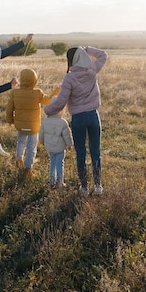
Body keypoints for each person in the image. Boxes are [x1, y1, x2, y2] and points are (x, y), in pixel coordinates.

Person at [43, 46, 108, 196]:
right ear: (83, 57)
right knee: (95, 152)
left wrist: (47, 110)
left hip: (78, 118)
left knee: (81, 153)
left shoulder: (69, 78)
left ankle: (84, 187)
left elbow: (60, 102)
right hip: (93, 116)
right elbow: (103, 55)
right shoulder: (92, 71)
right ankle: (98, 186)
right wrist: (88, 49)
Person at [6, 68, 60, 177]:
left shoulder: (14, 92)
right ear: (34, 80)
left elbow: (9, 109)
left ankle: (18, 160)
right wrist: (54, 93)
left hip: (20, 125)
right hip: (33, 126)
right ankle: (28, 169)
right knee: (32, 146)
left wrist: (10, 121)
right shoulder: (37, 93)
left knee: (21, 142)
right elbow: (47, 101)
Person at [38, 108, 73, 188]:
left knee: (52, 163)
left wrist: (42, 142)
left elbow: (41, 134)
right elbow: (67, 135)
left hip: (49, 147)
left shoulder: (45, 121)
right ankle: (60, 182)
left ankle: (52, 181)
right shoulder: (62, 122)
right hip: (60, 148)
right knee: (60, 163)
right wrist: (69, 144)